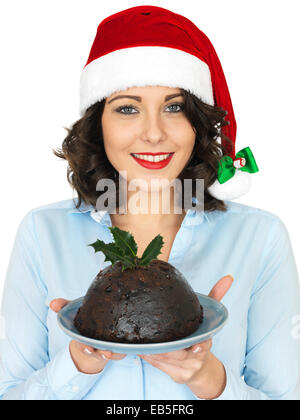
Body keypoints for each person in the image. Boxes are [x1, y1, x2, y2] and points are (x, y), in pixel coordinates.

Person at [0, 5, 300, 401]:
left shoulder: (259, 238)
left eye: (174, 107)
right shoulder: (43, 232)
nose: (154, 134)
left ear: (197, 121)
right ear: (97, 122)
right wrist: (75, 366)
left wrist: (212, 382)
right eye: (128, 108)